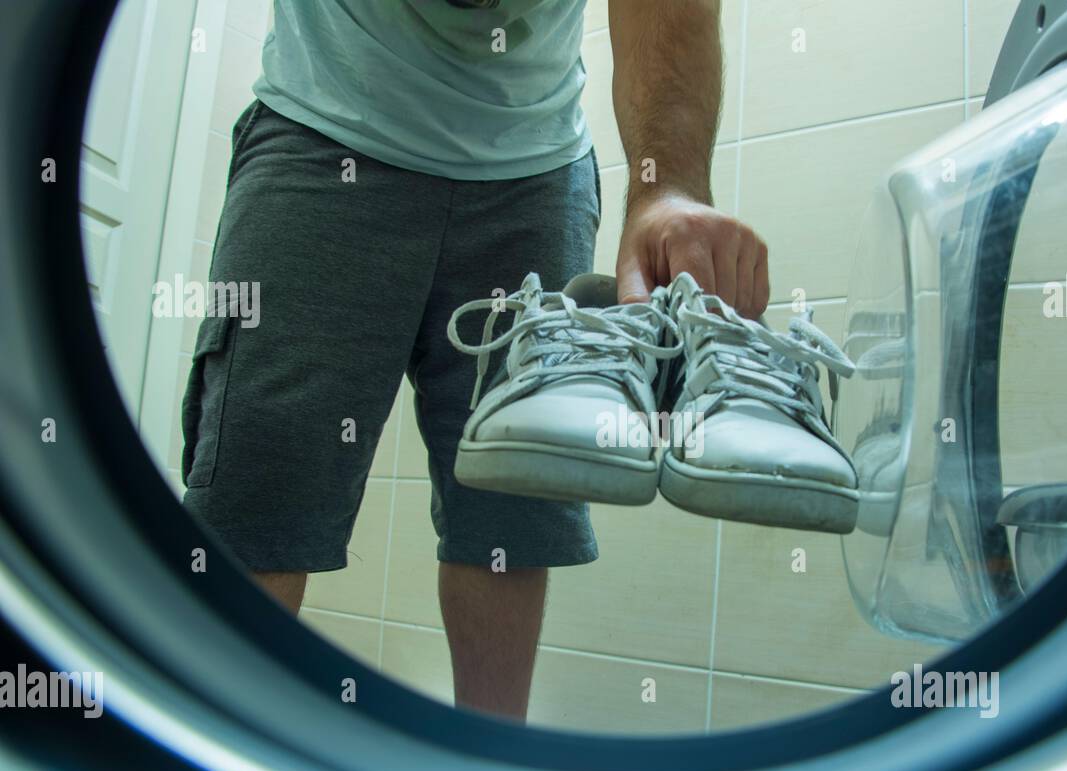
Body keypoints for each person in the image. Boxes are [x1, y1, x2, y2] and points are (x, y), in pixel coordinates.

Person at [180, 0, 770, 720]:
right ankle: (215, 769)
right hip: (323, 126)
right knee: (262, 483)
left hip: (536, 167)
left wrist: (667, 188)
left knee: (515, 504)